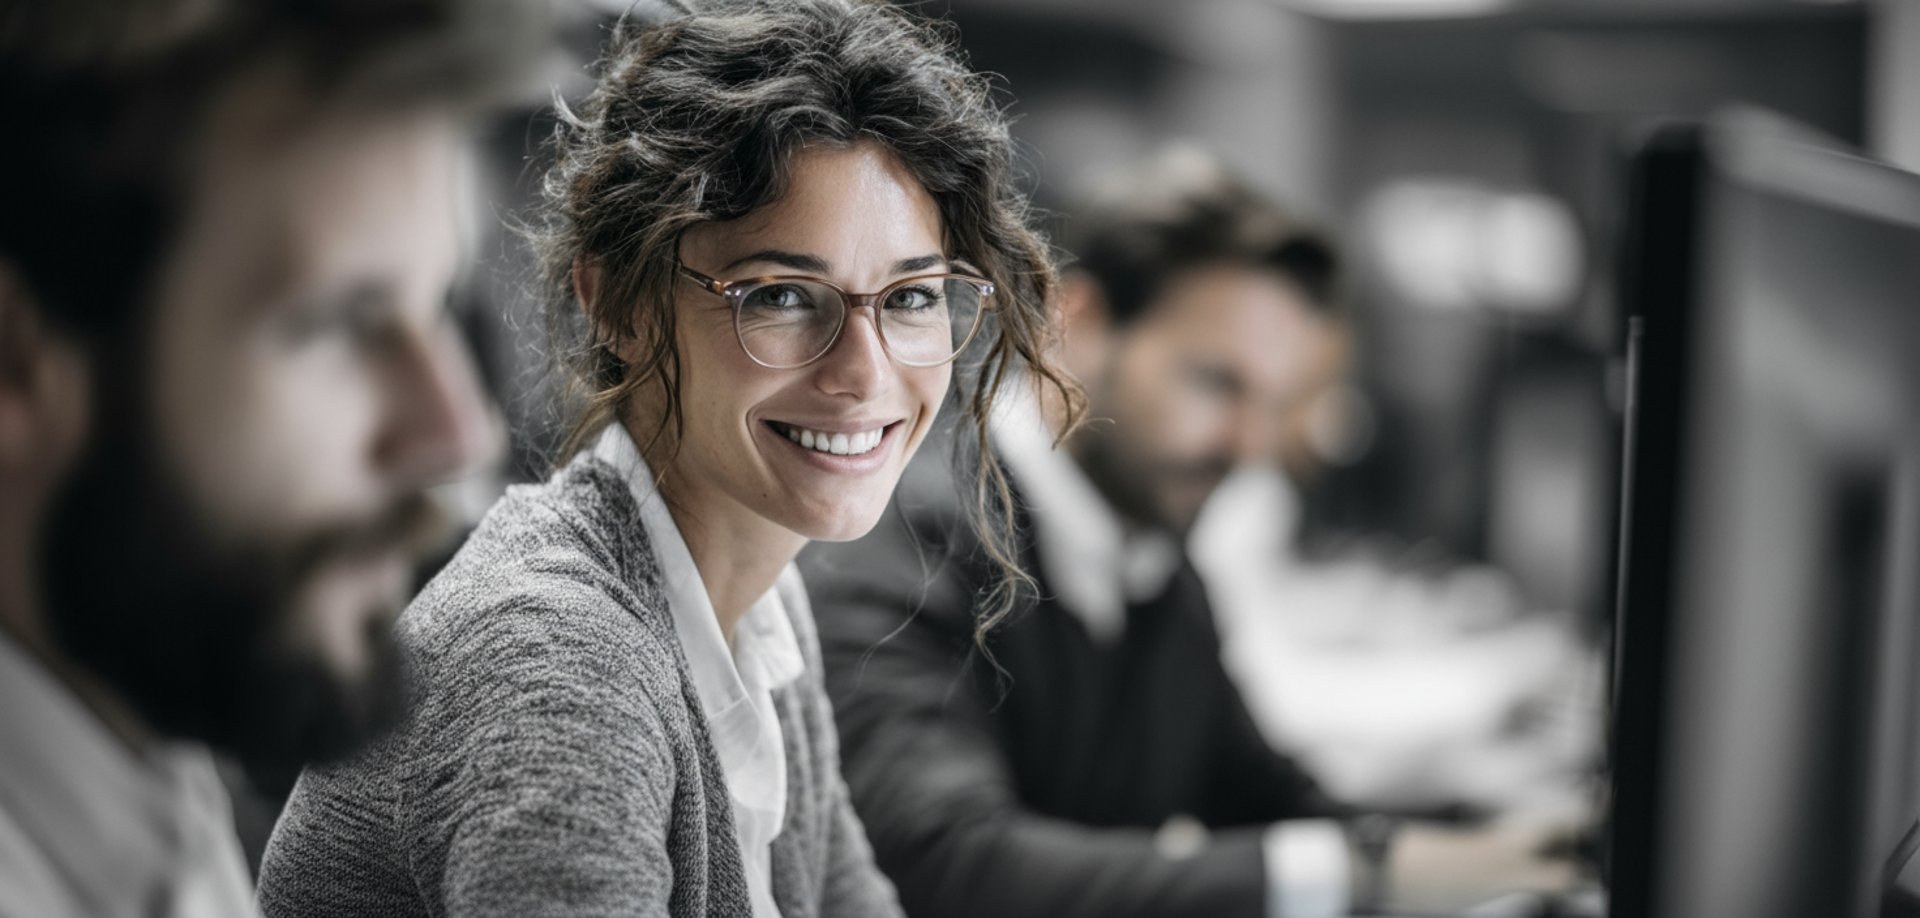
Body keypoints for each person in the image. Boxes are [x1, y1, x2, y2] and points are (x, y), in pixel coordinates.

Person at [255, 1, 1079, 915]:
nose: (863, 372)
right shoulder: (559, 661)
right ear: (616, 304)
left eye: (913, 297)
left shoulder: (765, 612)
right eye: (779, 294)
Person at [800, 150, 1580, 918]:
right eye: (1216, 383)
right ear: (1081, 325)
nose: (1248, 445)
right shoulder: (901, 538)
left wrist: (1516, 859)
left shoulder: (1155, 571)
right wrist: (1358, 871)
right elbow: (947, 868)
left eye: (1271, 403)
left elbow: (1267, 801)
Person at [0, 1, 540, 914]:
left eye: (436, 307)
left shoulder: (139, 772)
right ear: (15, 363)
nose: (460, 434)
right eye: (340, 322)